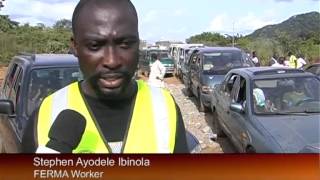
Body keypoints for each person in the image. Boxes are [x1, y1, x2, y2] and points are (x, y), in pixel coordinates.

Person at [22, 0, 189, 153]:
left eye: (125, 44)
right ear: (75, 46)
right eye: (95, 45)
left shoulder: (164, 107)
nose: (112, 61)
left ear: (138, 43)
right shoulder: (46, 114)